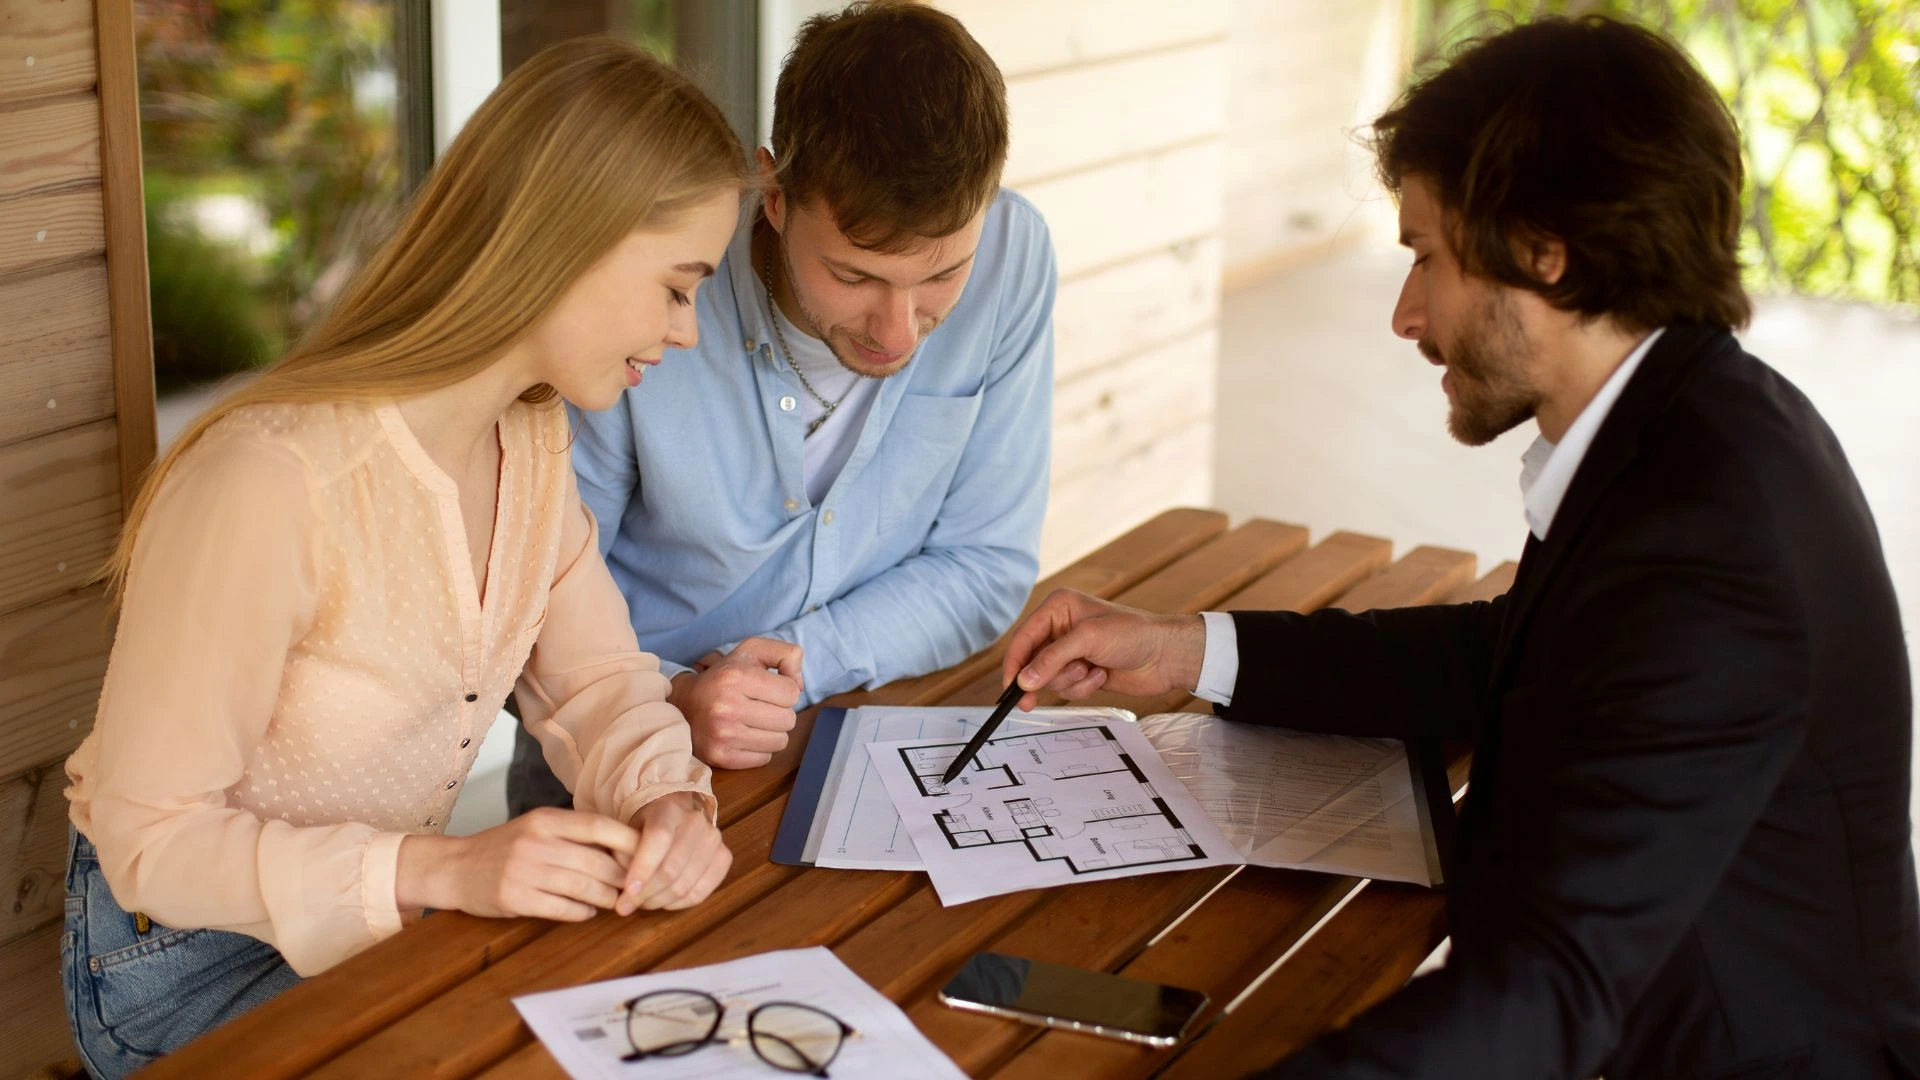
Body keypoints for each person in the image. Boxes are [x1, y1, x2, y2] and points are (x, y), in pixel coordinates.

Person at [1000, 16, 1920, 1079]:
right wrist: (1183, 653)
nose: (1404, 314)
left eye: (1426, 257)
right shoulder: (1686, 422)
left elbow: (1548, 994)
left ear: (1544, 251)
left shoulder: (1713, 547)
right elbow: (1511, 659)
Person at [60, 40, 747, 1078]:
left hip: (390, 915)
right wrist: (447, 870)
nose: (690, 331)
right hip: (182, 967)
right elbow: (149, 839)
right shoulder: (273, 480)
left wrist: (664, 801)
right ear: (570, 240)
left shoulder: (532, 436)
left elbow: (597, 681)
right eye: (678, 286)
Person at [504, 1, 1056, 808]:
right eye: (857, 276)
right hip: (619, 762)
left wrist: (789, 667)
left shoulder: (1015, 252)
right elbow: (531, 604)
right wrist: (676, 699)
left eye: (941, 277)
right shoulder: (648, 296)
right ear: (773, 194)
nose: (899, 333)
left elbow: (986, 568)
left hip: (874, 744)